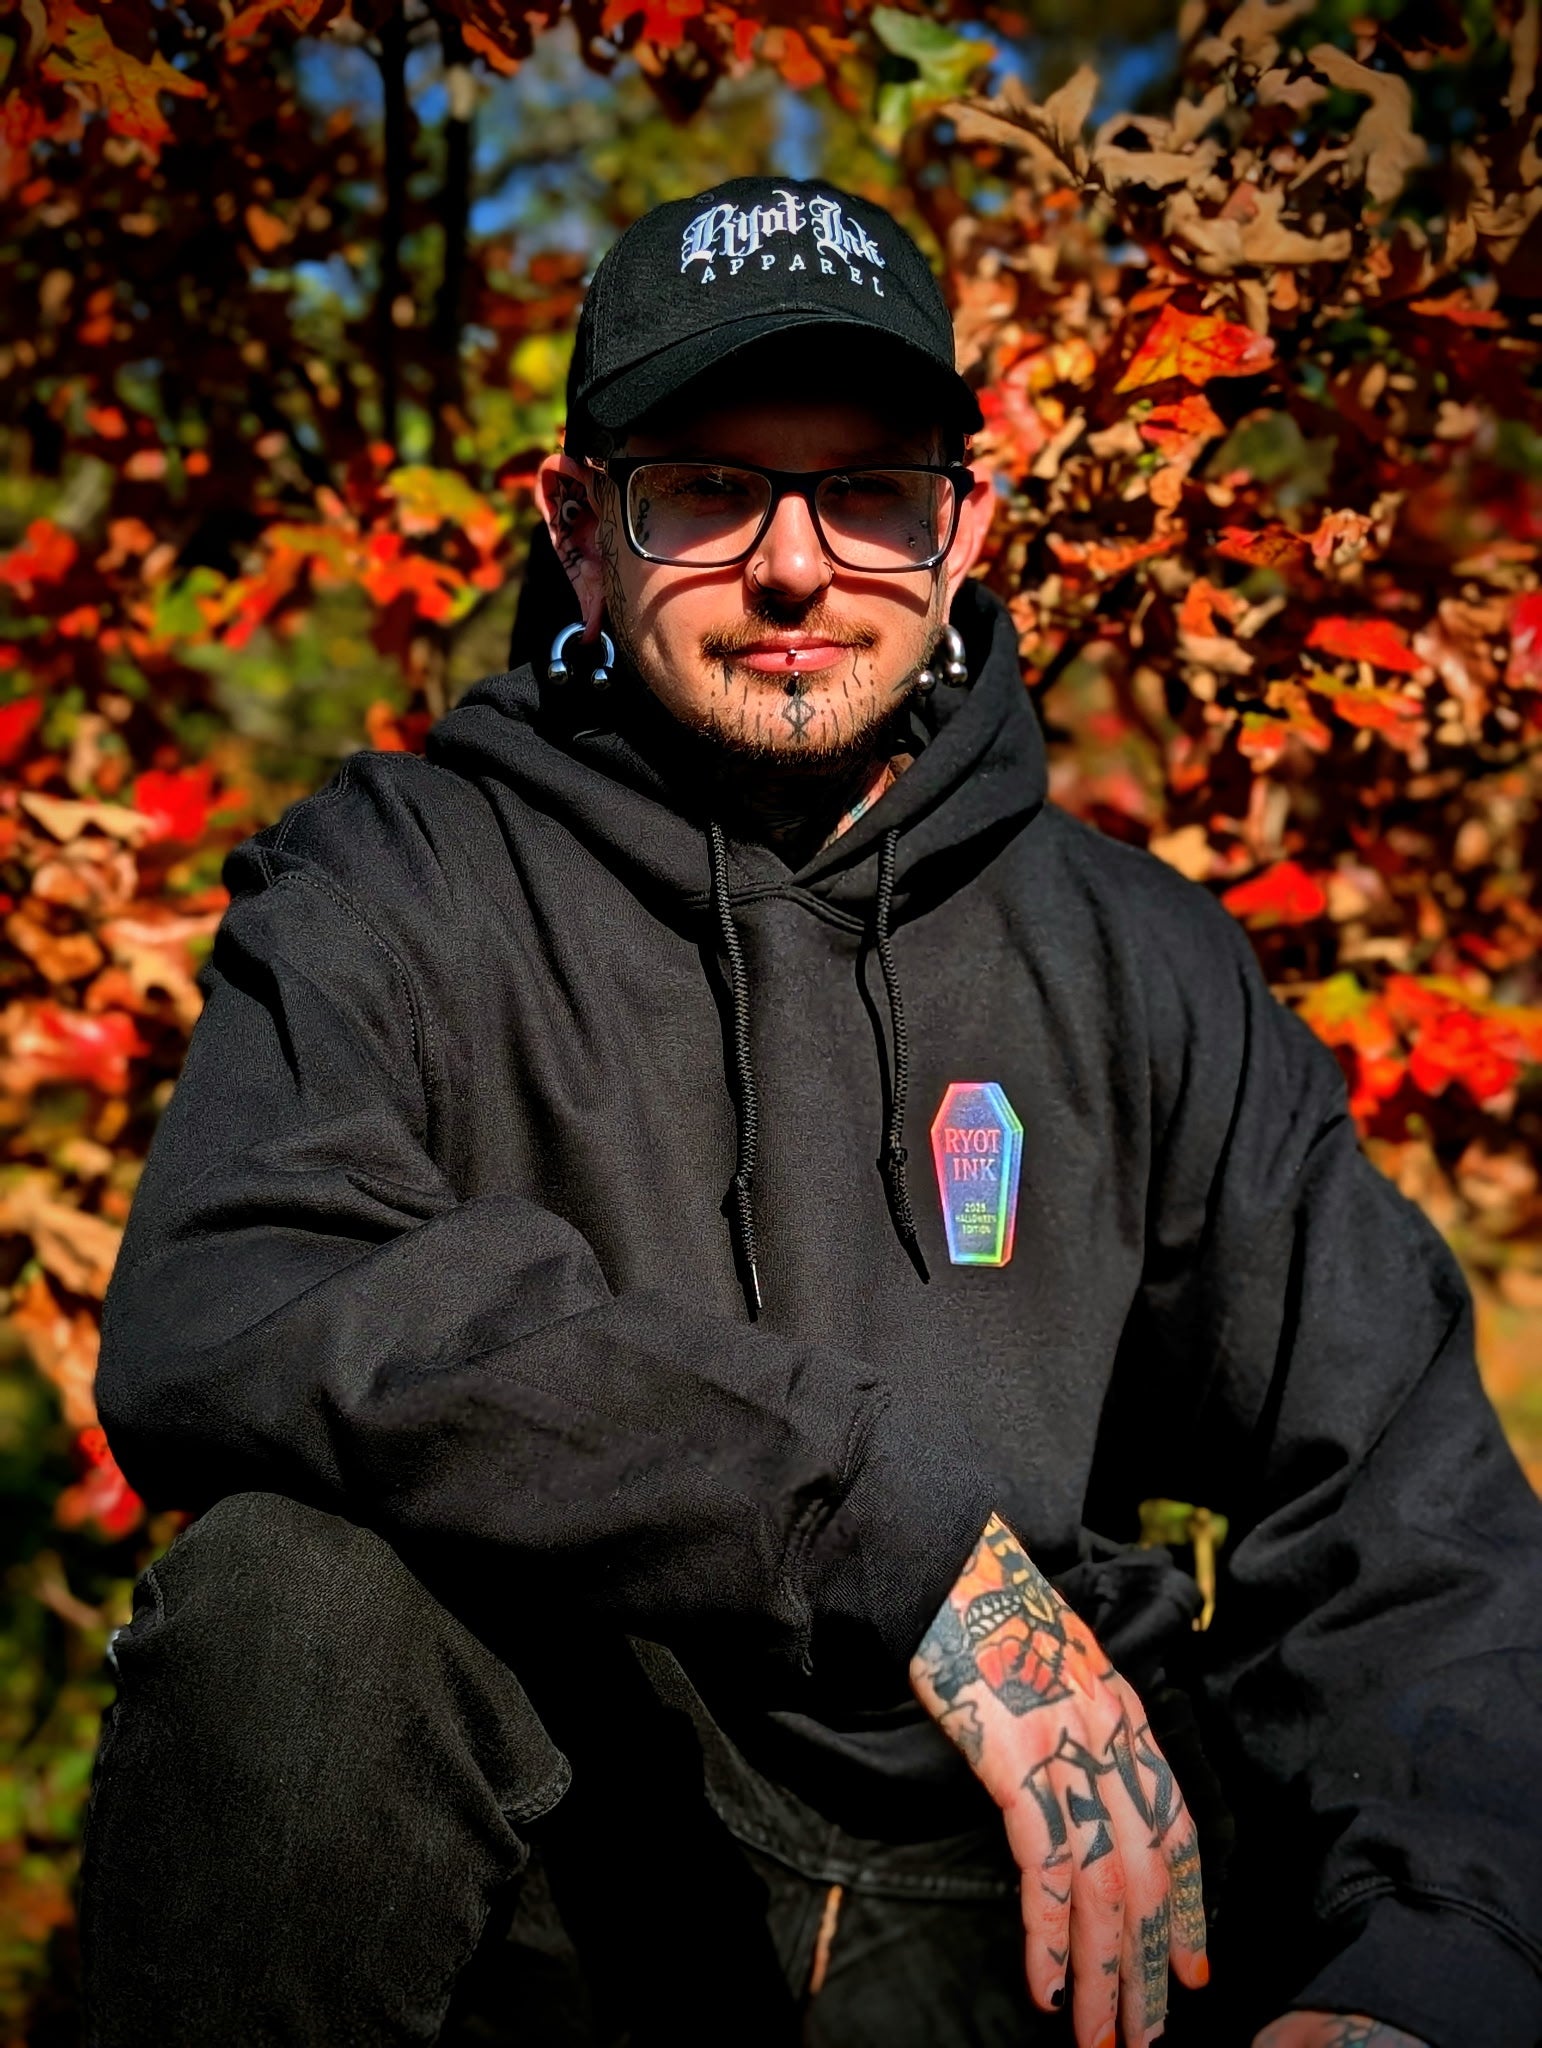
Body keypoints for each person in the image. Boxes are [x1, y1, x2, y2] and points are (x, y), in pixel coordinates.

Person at [79, 178, 1542, 2048]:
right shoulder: (403, 883)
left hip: (1047, 1909)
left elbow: (1402, 1513)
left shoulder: (1137, 958)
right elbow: (238, 1282)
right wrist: (888, 1536)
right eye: (705, 485)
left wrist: (1414, 1987)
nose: (792, 565)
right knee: (287, 1606)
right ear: (581, 527)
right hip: (586, 1861)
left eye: (864, 489)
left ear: (960, 532)